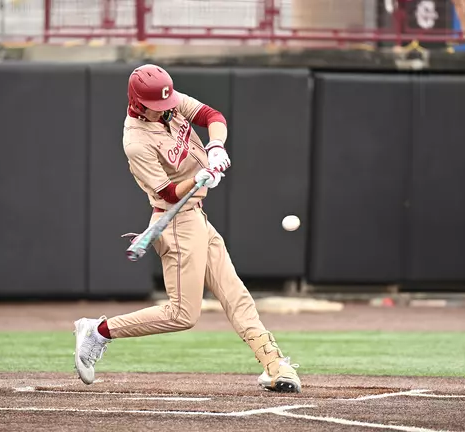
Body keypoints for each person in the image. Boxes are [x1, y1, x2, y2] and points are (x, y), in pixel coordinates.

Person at [72, 64, 302, 393]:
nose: (168, 110)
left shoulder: (167, 101)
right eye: (159, 106)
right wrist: (197, 179)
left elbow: (211, 115)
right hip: (174, 219)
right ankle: (99, 331)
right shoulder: (136, 141)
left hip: (197, 216)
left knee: (234, 293)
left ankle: (273, 363)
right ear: (138, 103)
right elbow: (167, 193)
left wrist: (216, 147)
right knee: (183, 313)